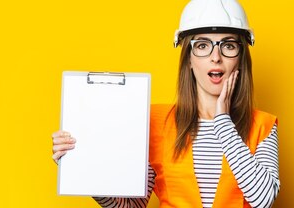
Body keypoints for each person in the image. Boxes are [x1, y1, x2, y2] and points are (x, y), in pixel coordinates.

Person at [51, 0, 280, 207]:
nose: (215, 56)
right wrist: (80, 163)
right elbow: (132, 205)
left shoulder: (263, 126)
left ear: (241, 58)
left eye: (228, 45)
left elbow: (263, 199)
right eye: (202, 45)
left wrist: (222, 121)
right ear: (188, 60)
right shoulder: (157, 122)